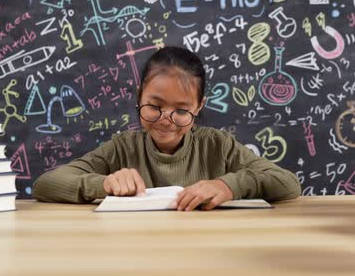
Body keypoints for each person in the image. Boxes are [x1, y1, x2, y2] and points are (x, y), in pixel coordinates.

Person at [33, 46, 301, 211]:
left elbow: (288, 184)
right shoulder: (123, 147)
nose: (166, 120)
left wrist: (229, 185)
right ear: (139, 96)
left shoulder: (218, 146)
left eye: (182, 110)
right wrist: (103, 183)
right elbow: (45, 184)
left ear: (199, 107)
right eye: (154, 105)